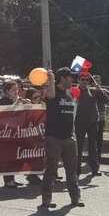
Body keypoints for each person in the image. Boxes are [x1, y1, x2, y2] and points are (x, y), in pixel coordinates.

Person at [42, 68, 84, 208]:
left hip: (69, 138)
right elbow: (50, 95)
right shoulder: (52, 93)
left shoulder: (69, 94)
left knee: (71, 170)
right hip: (53, 138)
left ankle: (75, 198)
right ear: (62, 79)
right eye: (70, 78)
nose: (72, 80)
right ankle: (46, 200)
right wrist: (52, 79)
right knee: (51, 170)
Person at [0, 80, 30, 187]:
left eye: (17, 89)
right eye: (13, 90)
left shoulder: (17, 99)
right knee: (8, 157)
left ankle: (12, 177)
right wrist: (17, 103)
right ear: (7, 91)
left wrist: (27, 104)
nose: (16, 91)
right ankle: (7, 180)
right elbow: (4, 113)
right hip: (6, 133)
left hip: (16, 132)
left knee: (15, 156)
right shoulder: (3, 100)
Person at [74, 72, 108, 177]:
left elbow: (106, 100)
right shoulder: (74, 91)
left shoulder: (93, 91)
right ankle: (77, 168)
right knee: (78, 146)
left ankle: (94, 169)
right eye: (82, 79)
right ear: (78, 80)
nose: (84, 82)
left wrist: (100, 90)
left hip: (92, 122)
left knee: (93, 146)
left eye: (86, 80)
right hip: (79, 122)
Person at [92, 75, 109, 161]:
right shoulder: (89, 90)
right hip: (91, 118)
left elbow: (108, 99)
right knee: (92, 138)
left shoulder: (103, 90)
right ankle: (92, 156)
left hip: (101, 117)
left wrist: (100, 91)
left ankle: (98, 157)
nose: (97, 83)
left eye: (99, 81)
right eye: (95, 81)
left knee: (99, 137)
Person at [26, 88, 43, 185]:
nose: (38, 98)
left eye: (39, 96)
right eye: (35, 97)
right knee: (33, 154)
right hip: (29, 133)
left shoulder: (41, 105)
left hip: (39, 133)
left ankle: (33, 174)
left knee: (38, 154)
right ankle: (32, 174)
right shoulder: (27, 106)